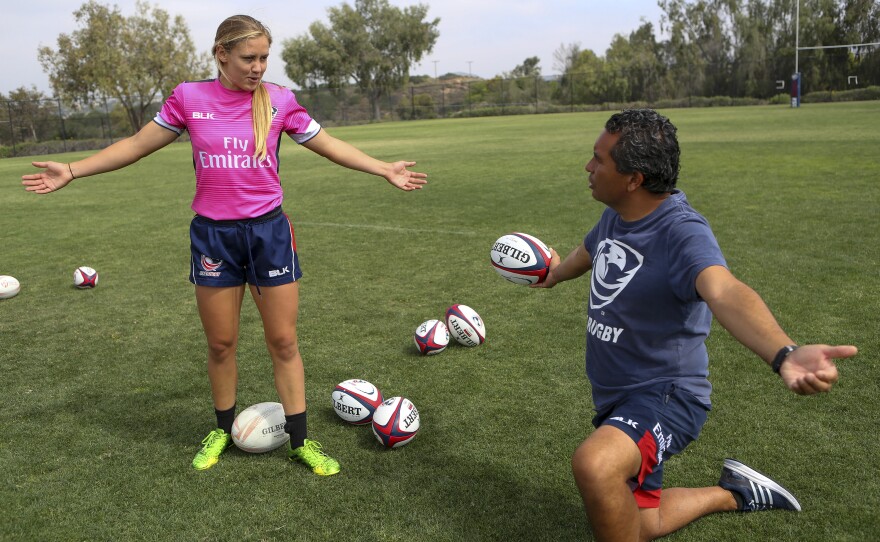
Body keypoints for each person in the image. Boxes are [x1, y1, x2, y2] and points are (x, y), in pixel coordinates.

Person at [21, 14, 427, 476]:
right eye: (249, 58)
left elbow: (329, 144)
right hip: (214, 235)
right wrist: (72, 171)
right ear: (222, 55)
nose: (258, 67)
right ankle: (221, 428)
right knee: (221, 343)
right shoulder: (189, 98)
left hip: (269, 234)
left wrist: (383, 168)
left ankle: (300, 441)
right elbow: (135, 145)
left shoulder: (279, 101)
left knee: (283, 341)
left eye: (264, 58)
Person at [532, 109, 857, 541]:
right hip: (618, 399)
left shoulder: (682, 232)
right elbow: (590, 250)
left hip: (666, 397)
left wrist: (784, 352)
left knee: (596, 464)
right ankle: (734, 493)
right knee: (643, 523)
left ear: (635, 179)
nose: (588, 168)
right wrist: (554, 273)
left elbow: (724, 291)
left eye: (599, 160)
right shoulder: (617, 215)